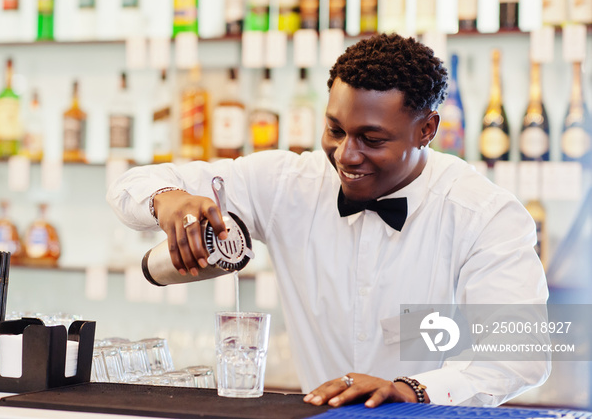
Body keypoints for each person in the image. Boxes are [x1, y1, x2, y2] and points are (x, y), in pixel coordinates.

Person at [107, 33, 549, 408]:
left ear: (427, 130)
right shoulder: (285, 184)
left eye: (372, 139)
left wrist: (410, 390)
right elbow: (130, 186)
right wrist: (168, 198)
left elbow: (519, 356)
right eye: (335, 130)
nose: (346, 155)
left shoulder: (484, 215)